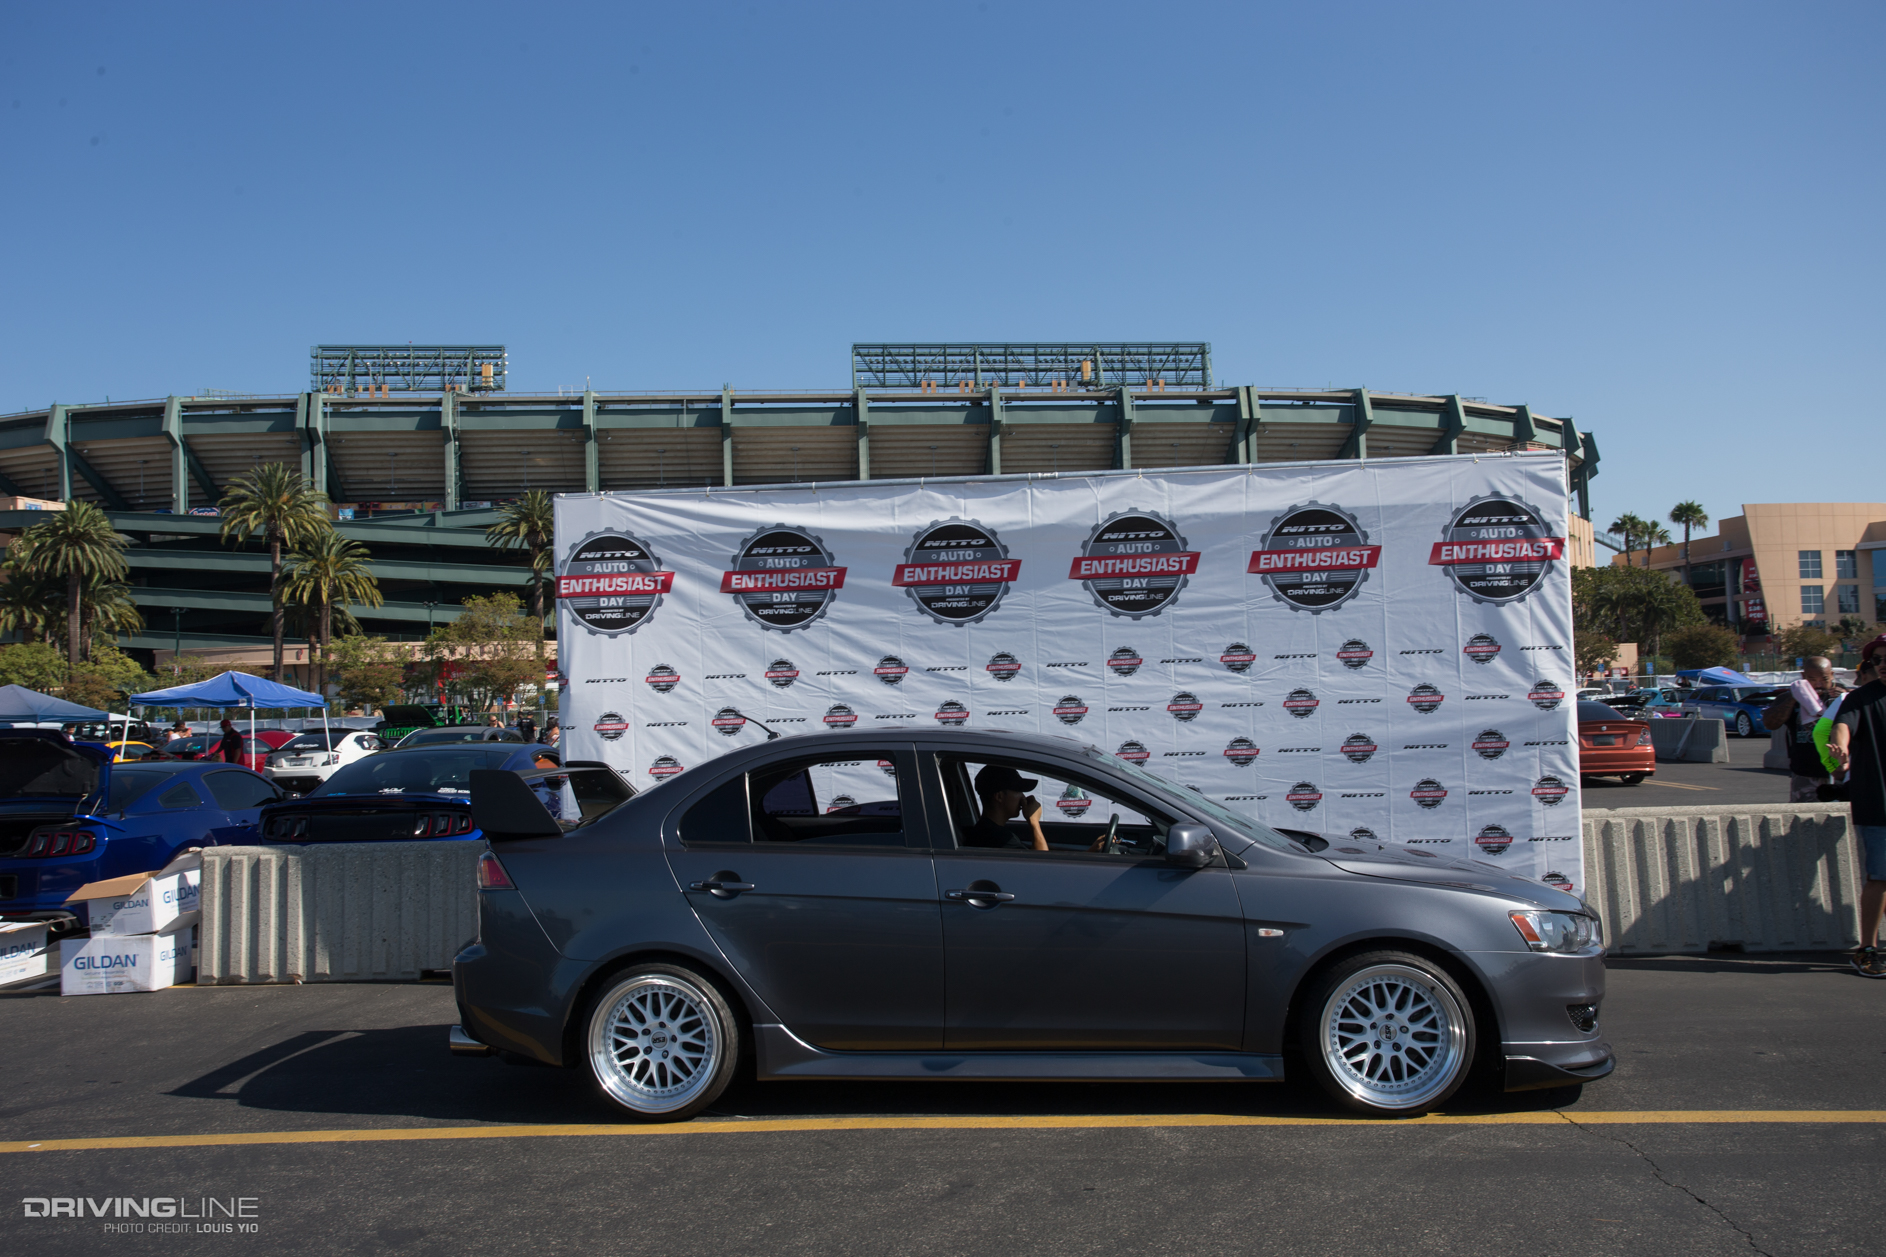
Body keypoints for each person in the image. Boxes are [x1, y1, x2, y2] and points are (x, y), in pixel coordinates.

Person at [1830, 635, 1886, 977]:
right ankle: (1867, 949)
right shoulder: (1860, 698)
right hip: (1877, 804)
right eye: (1878, 659)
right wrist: (1841, 749)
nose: (1883, 664)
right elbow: (1842, 728)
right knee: (1880, 877)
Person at [1766, 656, 1840, 802]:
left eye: (1824, 679)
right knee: (1804, 814)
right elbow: (1770, 723)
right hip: (1805, 773)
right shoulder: (1791, 697)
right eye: (1812, 679)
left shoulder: (1842, 695)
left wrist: (1845, 696)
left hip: (1839, 772)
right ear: (1803, 676)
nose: (1818, 684)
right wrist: (1793, 698)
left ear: (1832, 675)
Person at [963, 765, 1048, 850]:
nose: (1023, 797)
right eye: (1018, 791)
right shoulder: (998, 839)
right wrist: (1034, 822)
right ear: (999, 796)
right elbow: (1042, 858)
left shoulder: (986, 831)